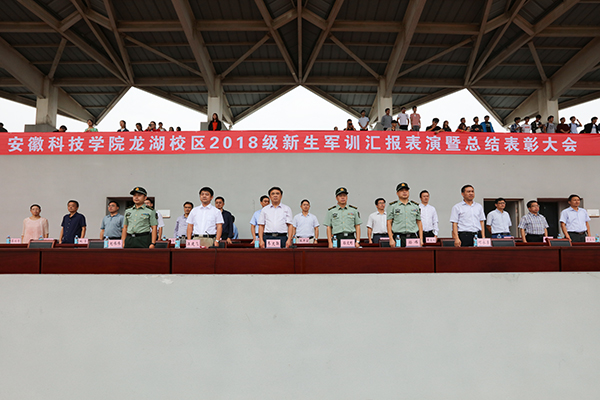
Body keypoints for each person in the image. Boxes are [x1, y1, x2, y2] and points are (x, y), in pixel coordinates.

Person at [386, 183, 423, 247]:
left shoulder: (415, 206)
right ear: (397, 193)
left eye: (406, 190)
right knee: (399, 253)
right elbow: (389, 222)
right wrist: (391, 239)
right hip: (398, 237)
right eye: (401, 190)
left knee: (413, 253)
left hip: (412, 237)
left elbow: (419, 222)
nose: (404, 192)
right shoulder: (392, 206)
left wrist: (421, 239)